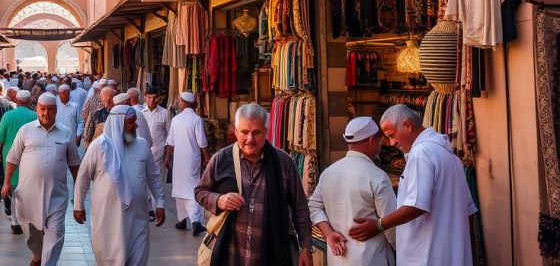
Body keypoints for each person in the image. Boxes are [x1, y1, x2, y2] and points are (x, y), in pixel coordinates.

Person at [349, 105, 476, 266]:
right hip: (453, 256)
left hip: (426, 256)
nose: (392, 143)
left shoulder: (421, 153)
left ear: (407, 125)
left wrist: (379, 225)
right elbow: (469, 212)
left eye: (392, 135)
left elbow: (417, 205)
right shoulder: (449, 155)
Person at [195, 102, 313, 266]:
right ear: (235, 132)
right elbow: (200, 191)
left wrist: (306, 248)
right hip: (229, 255)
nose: (250, 139)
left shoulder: (283, 162)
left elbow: (300, 208)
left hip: (272, 255)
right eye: (244, 132)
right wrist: (219, 200)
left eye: (256, 132)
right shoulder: (221, 159)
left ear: (266, 132)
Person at [74, 104, 166, 266]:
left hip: (138, 218)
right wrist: (78, 205)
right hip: (108, 221)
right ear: (118, 123)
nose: (136, 126)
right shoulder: (99, 146)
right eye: (131, 122)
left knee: (138, 259)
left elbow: (153, 176)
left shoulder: (142, 144)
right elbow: (83, 178)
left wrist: (159, 203)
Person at [2, 94, 81, 266]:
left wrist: (79, 191)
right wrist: (6, 182)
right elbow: (12, 159)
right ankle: (37, 256)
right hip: (28, 195)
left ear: (56, 110)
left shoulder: (66, 133)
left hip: (56, 196)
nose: (46, 113)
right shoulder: (25, 130)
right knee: (32, 234)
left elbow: (75, 164)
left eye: (50, 109)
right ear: (36, 108)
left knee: (56, 233)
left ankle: (47, 263)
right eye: (42, 109)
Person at [309, 116, 396, 266]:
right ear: (372, 140)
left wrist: (329, 234)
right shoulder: (377, 177)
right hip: (371, 259)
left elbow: (313, 206)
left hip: (338, 258)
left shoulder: (329, 172)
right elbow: (392, 226)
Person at [166, 92, 209, 236]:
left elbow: (170, 143)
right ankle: (191, 221)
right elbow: (202, 143)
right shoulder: (196, 119)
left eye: (180, 101)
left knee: (181, 188)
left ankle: (187, 220)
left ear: (185, 103)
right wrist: (207, 158)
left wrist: (167, 158)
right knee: (191, 188)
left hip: (179, 159)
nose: (178, 103)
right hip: (192, 159)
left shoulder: (176, 120)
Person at [0, 89, 38, 233]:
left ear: (17, 100)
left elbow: (0, 136)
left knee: (12, 189)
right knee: (29, 188)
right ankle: (29, 218)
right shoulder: (34, 115)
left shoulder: (8, 116)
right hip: (30, 155)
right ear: (28, 101)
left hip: (10, 155)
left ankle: (15, 221)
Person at [141, 86, 172, 174]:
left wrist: (167, 156)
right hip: (143, 153)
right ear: (145, 97)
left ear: (158, 98)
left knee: (158, 183)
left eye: (154, 98)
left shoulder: (165, 113)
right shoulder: (140, 113)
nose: (152, 100)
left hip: (159, 154)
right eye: (149, 97)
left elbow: (169, 134)